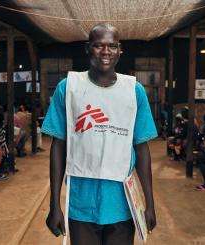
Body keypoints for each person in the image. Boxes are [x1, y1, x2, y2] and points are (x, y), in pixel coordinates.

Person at [43, 23, 157, 245]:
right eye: (98, 45)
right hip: (81, 203)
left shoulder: (134, 91)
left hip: (122, 203)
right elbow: (58, 146)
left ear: (120, 50)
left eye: (112, 46)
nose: (106, 52)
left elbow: (142, 148)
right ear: (88, 48)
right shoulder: (68, 88)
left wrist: (149, 204)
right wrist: (54, 204)